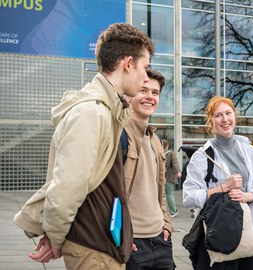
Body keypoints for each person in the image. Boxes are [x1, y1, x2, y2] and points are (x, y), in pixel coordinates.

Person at [13, 23, 154, 269]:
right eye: (145, 67)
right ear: (128, 63)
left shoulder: (108, 111)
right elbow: (68, 186)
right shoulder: (92, 113)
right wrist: (56, 237)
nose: (145, 77)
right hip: (93, 248)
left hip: (104, 242)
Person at [183, 96, 253, 269]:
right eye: (218, 115)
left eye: (228, 113)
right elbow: (188, 197)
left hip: (246, 231)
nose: (224, 119)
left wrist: (247, 196)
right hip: (217, 233)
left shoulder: (249, 150)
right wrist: (222, 188)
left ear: (235, 116)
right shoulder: (202, 156)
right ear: (211, 122)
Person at [123, 69, 175, 270]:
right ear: (129, 94)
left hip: (160, 240)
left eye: (155, 93)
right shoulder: (118, 134)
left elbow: (159, 190)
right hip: (132, 243)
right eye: (143, 90)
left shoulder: (154, 138)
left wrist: (166, 224)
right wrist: (119, 236)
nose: (150, 97)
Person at [163, 138, 182, 217]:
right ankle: (172, 211)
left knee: (167, 194)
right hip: (168, 178)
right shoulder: (169, 154)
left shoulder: (167, 154)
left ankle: (172, 211)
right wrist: (178, 172)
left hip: (166, 178)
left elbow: (175, 163)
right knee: (168, 194)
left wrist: (178, 171)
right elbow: (175, 163)